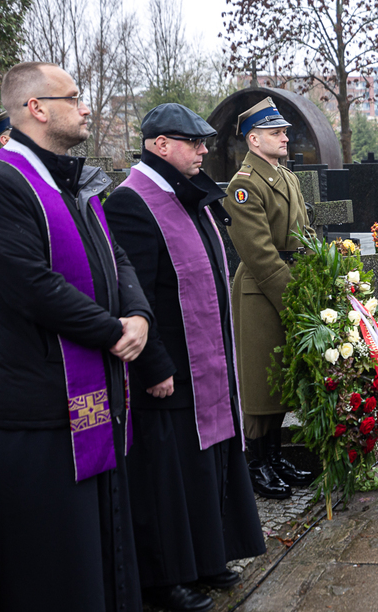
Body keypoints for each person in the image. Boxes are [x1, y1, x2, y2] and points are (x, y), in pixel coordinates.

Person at [0, 61, 152, 612]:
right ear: (36, 109)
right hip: (38, 410)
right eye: (73, 98)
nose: (85, 106)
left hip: (90, 399)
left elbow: (116, 257)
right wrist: (112, 330)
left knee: (99, 555)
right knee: (54, 567)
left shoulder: (70, 180)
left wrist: (139, 315)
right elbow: (31, 285)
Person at [104, 104, 266, 612]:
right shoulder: (131, 202)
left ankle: (208, 558)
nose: (202, 151)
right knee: (167, 476)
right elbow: (130, 293)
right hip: (170, 368)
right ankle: (165, 577)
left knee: (208, 463)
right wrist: (153, 364)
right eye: (192, 142)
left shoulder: (188, 195)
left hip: (207, 361)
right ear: (159, 145)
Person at [224, 97, 314, 499]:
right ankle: (256, 463)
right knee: (261, 383)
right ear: (254, 139)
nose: (285, 137)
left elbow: (304, 234)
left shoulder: (287, 176)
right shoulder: (244, 184)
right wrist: (294, 299)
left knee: (281, 379)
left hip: (291, 283)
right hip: (262, 292)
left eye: (284, 131)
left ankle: (275, 456)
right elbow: (258, 253)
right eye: (276, 132)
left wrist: (319, 275)